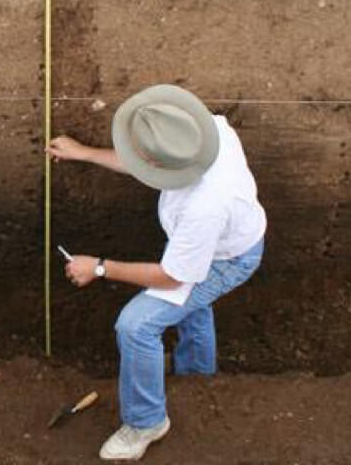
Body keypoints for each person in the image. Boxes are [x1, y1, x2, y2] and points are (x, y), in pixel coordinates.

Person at [48, 84, 266, 461]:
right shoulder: (206, 132)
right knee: (190, 305)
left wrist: (99, 267)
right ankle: (196, 376)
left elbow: (173, 277)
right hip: (212, 243)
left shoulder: (204, 208)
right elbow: (148, 158)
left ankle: (146, 422)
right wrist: (84, 153)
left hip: (226, 259)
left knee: (136, 325)